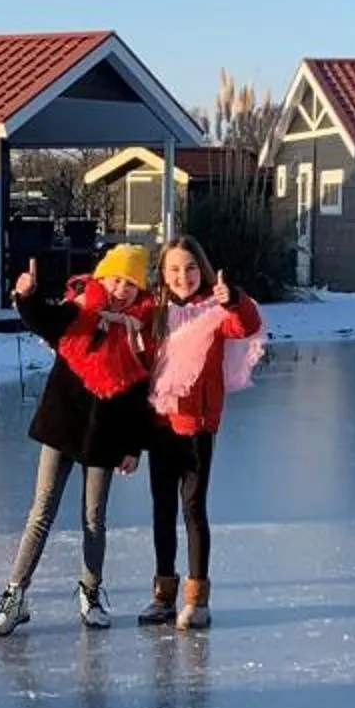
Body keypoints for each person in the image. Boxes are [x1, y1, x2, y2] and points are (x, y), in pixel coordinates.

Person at [0, 244, 154, 638]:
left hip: (104, 435)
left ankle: (90, 593)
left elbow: (138, 395)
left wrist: (133, 447)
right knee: (41, 511)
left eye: (131, 284)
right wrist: (25, 296)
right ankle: (15, 595)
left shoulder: (138, 333)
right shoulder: (79, 311)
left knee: (94, 519)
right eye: (115, 278)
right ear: (101, 277)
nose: (121, 289)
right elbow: (43, 319)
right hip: (63, 425)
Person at [139, 234, 263, 629]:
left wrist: (233, 298)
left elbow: (246, 325)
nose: (183, 276)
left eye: (190, 268)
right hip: (159, 422)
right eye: (174, 269)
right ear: (162, 273)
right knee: (162, 508)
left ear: (202, 270)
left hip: (197, 425)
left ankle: (197, 598)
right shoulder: (154, 310)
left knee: (192, 508)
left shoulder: (215, 310)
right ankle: (163, 595)